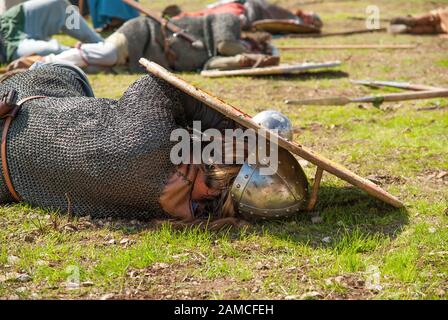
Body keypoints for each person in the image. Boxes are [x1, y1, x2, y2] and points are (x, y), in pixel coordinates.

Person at [0, 63, 309, 225]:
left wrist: (225, 127)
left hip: (30, 100)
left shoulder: (152, 143)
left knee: (65, 69)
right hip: (6, 182)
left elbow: (156, 83)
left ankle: (42, 60)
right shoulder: (184, 210)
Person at [8, 13, 278, 73]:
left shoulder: (220, 51)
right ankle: (41, 63)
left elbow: (213, 65)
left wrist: (245, 62)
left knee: (84, 68)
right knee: (102, 53)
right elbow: (225, 46)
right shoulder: (229, 22)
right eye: (254, 48)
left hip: (142, 59)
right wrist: (247, 55)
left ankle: (41, 67)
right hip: (143, 34)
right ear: (252, 41)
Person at [0, 0, 103, 64]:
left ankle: (104, 45)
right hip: (8, 47)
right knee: (53, 50)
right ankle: (97, 54)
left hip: (13, 20)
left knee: (58, 3)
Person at [163, 0, 323, 31]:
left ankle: (178, 18)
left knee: (208, 16)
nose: (308, 16)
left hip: (244, 9)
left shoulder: (296, 21)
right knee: (208, 16)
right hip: (244, 9)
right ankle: (178, 17)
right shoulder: (294, 19)